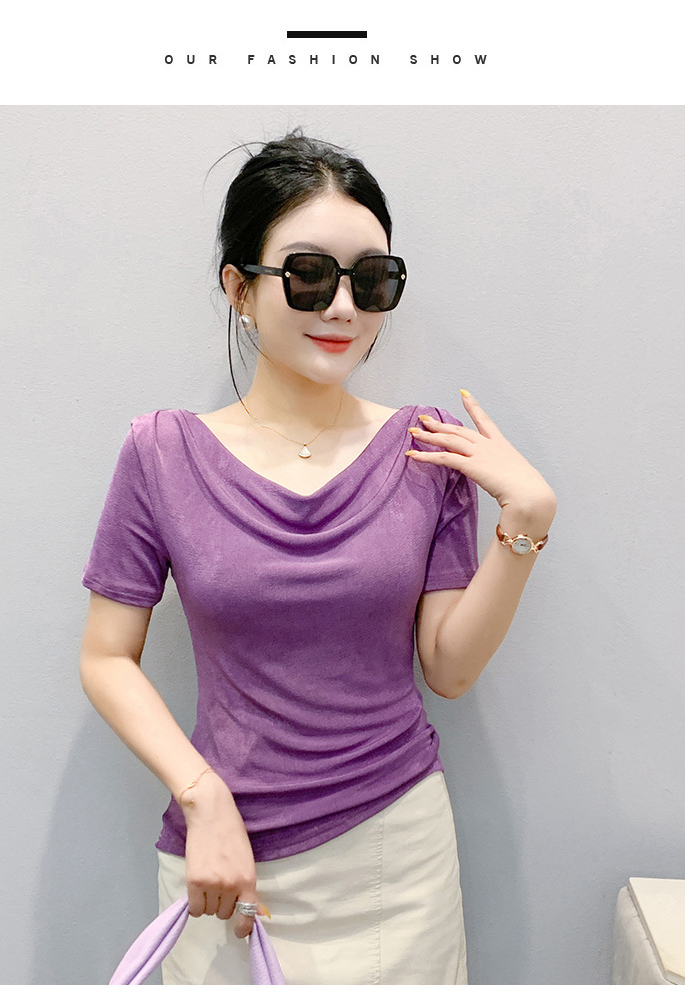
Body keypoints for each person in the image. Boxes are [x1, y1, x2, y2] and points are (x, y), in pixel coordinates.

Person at [79, 130, 557, 985]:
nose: (343, 308)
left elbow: (448, 669)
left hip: (395, 858)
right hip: (223, 859)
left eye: (371, 281)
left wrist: (524, 523)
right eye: (309, 275)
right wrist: (202, 795)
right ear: (239, 288)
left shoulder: (426, 451)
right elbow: (106, 656)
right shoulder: (160, 454)